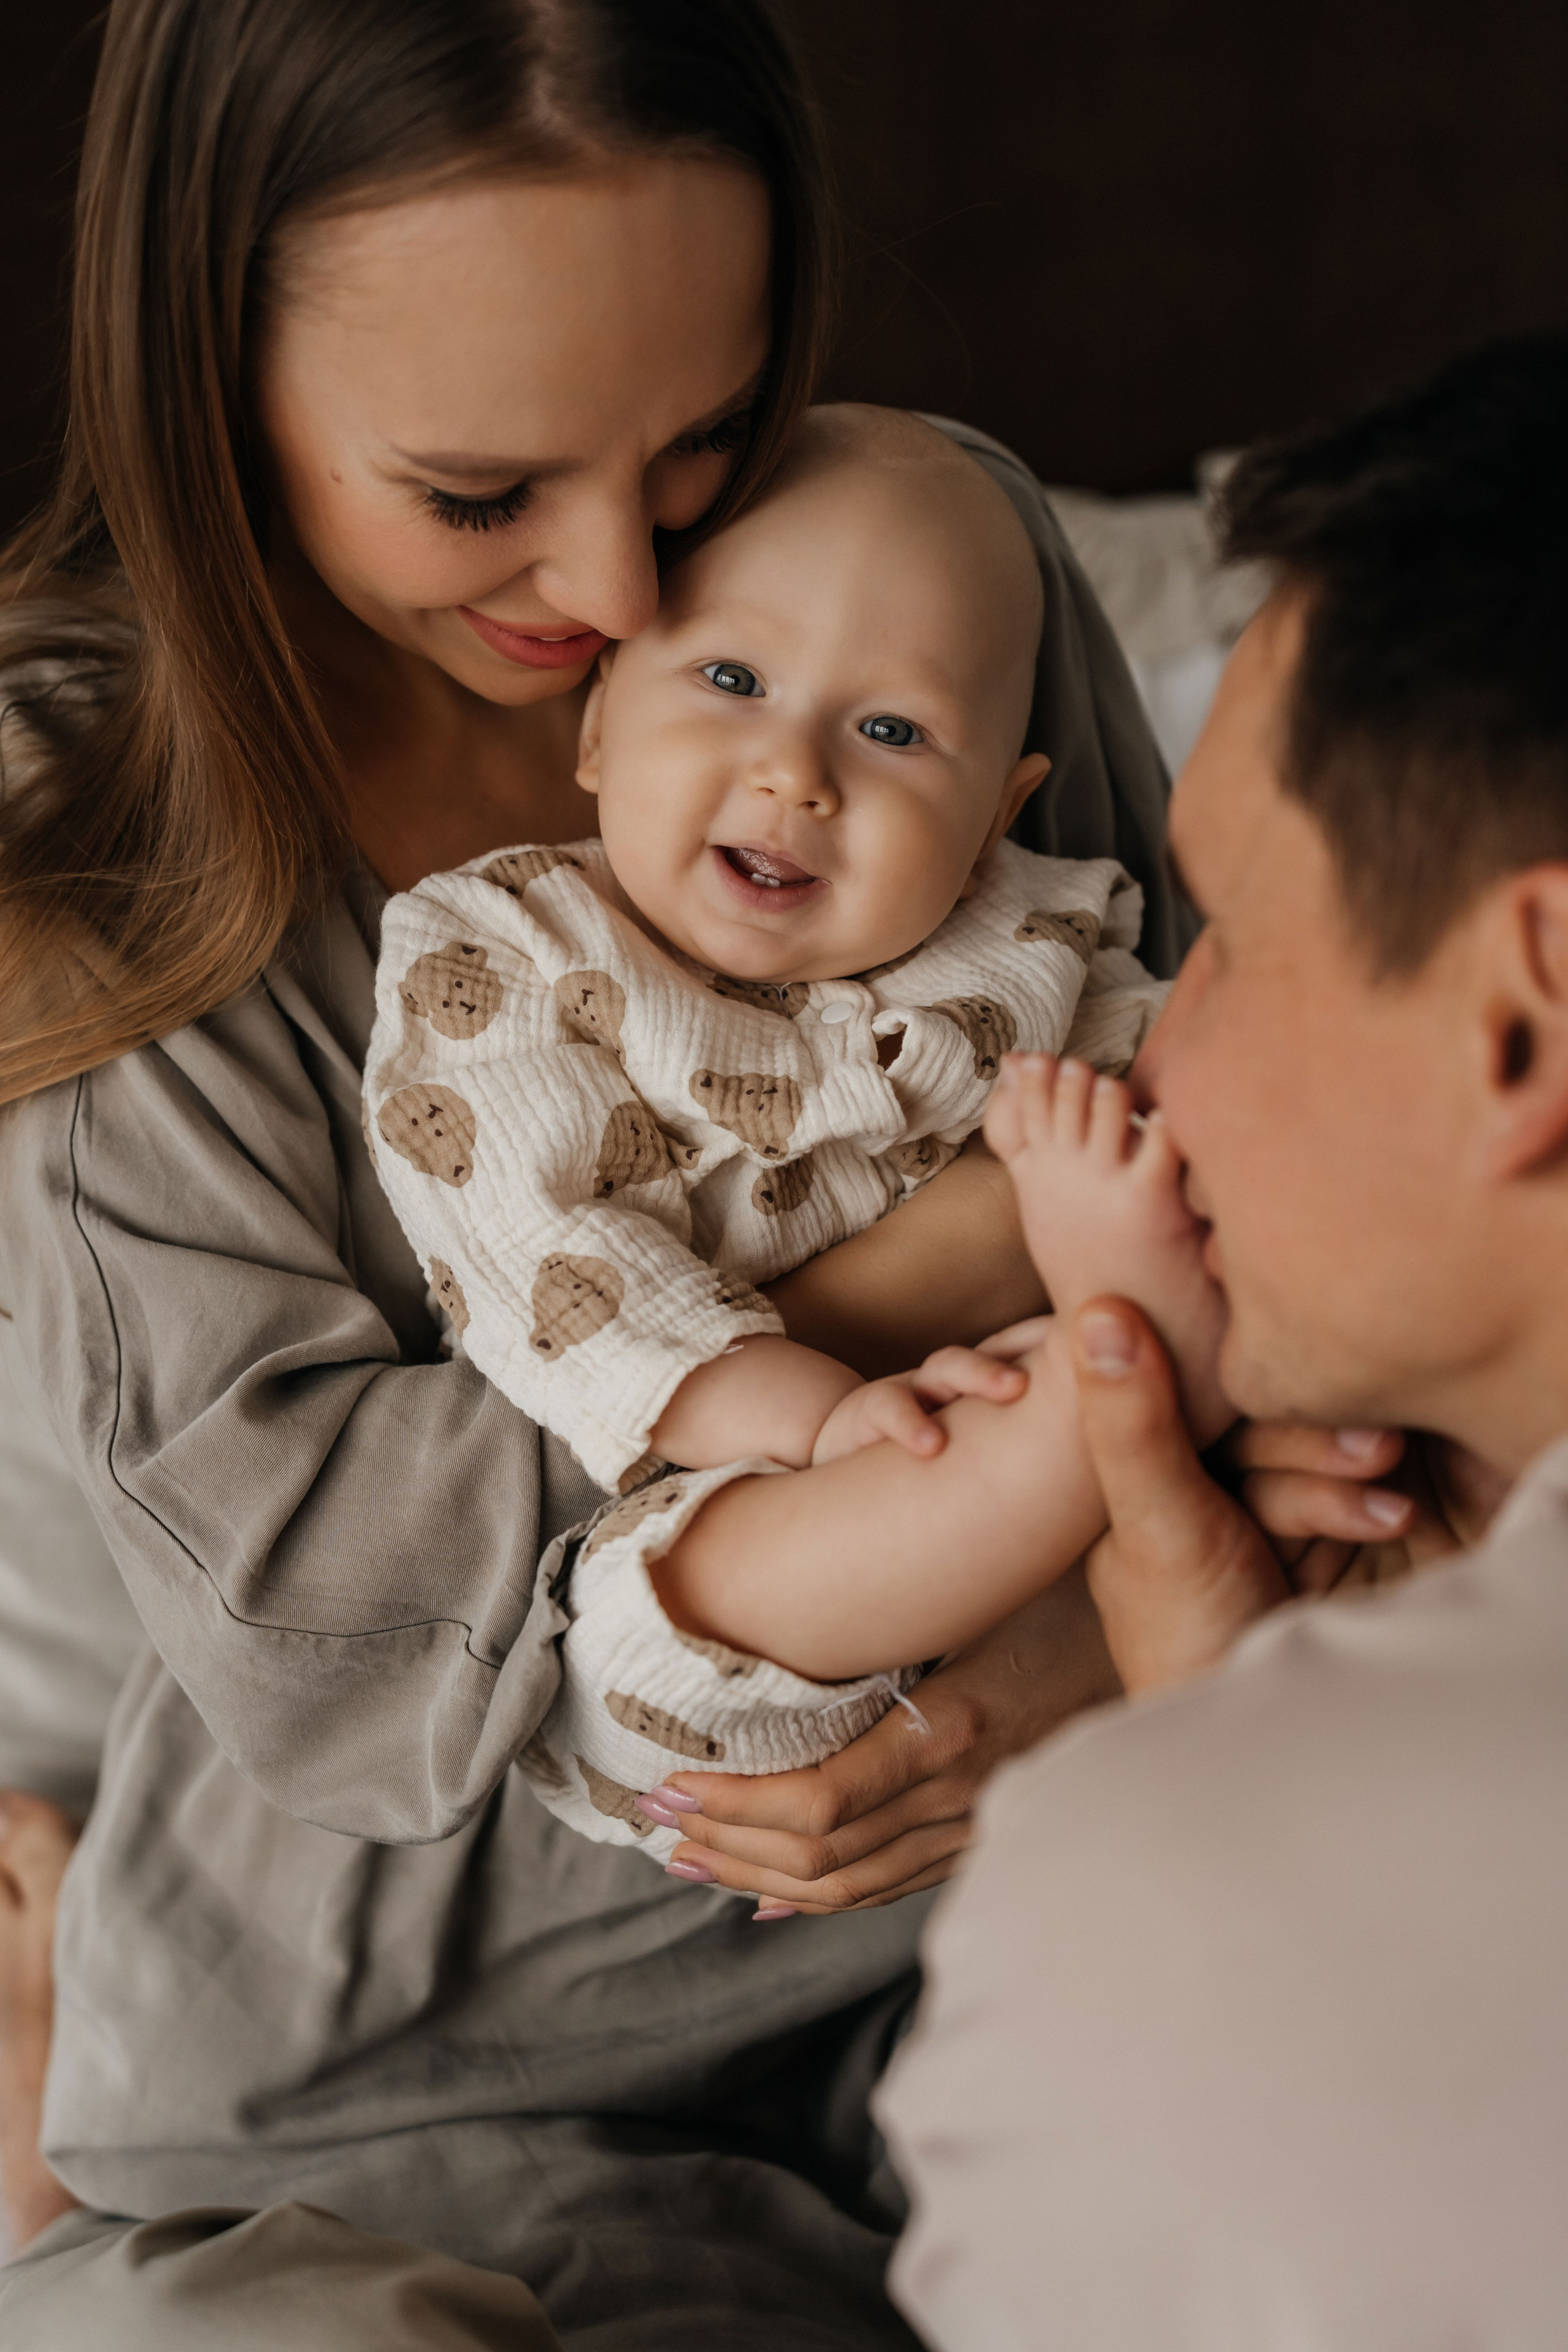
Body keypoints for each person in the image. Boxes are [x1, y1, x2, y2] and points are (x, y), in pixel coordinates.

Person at [0, 0, 1234, 2337]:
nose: (625, 587)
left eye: (698, 445)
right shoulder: (89, 822)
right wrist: (940, 1269)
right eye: (480, 492)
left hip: (994, 1950)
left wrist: (1084, 1650)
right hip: (377, 2086)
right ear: (211, 371)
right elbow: (306, 1609)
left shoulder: (918, 546)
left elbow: (1240, 1145)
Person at [878, 332, 1568, 2350]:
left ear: (1528, 1015)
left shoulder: (1165, 1918)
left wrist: (1225, 1775)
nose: (1152, 1063)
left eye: (1230, 938)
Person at [369, 402, 1189, 1852]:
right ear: (600, 722)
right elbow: (538, 1250)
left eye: (892, 731)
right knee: (654, 1630)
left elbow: (1182, 1090)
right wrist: (813, 1423)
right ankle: (1118, 1412)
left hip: (1020, 1513)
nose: (798, 772)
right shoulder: (501, 951)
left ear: (995, 813)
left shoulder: (1036, 940)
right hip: (708, 1504)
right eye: (733, 679)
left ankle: (1131, 1426)